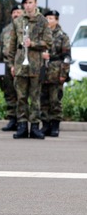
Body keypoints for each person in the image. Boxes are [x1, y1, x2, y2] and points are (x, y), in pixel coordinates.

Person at [7, 0, 52, 140]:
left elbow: (48, 42)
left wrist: (32, 44)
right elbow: (12, 44)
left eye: (30, 2)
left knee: (35, 97)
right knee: (21, 97)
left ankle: (34, 126)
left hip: (35, 65)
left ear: (36, 3)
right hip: (20, 64)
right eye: (26, 3)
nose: (28, 5)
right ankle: (21, 125)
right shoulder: (18, 21)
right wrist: (11, 64)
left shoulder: (43, 21)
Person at [40, 9, 71, 137]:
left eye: (51, 18)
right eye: (46, 18)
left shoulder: (62, 36)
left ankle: (55, 126)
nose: (48, 20)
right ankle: (45, 125)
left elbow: (67, 57)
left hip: (56, 71)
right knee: (43, 100)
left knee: (55, 100)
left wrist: (64, 73)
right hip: (43, 72)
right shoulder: (41, 35)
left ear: (56, 20)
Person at [0, 5, 23, 131]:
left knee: (22, 95)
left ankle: (22, 121)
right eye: (14, 12)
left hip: (21, 67)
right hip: (7, 66)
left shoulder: (25, 28)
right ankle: (12, 120)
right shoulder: (5, 30)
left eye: (18, 12)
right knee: (9, 94)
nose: (16, 14)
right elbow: (0, 53)